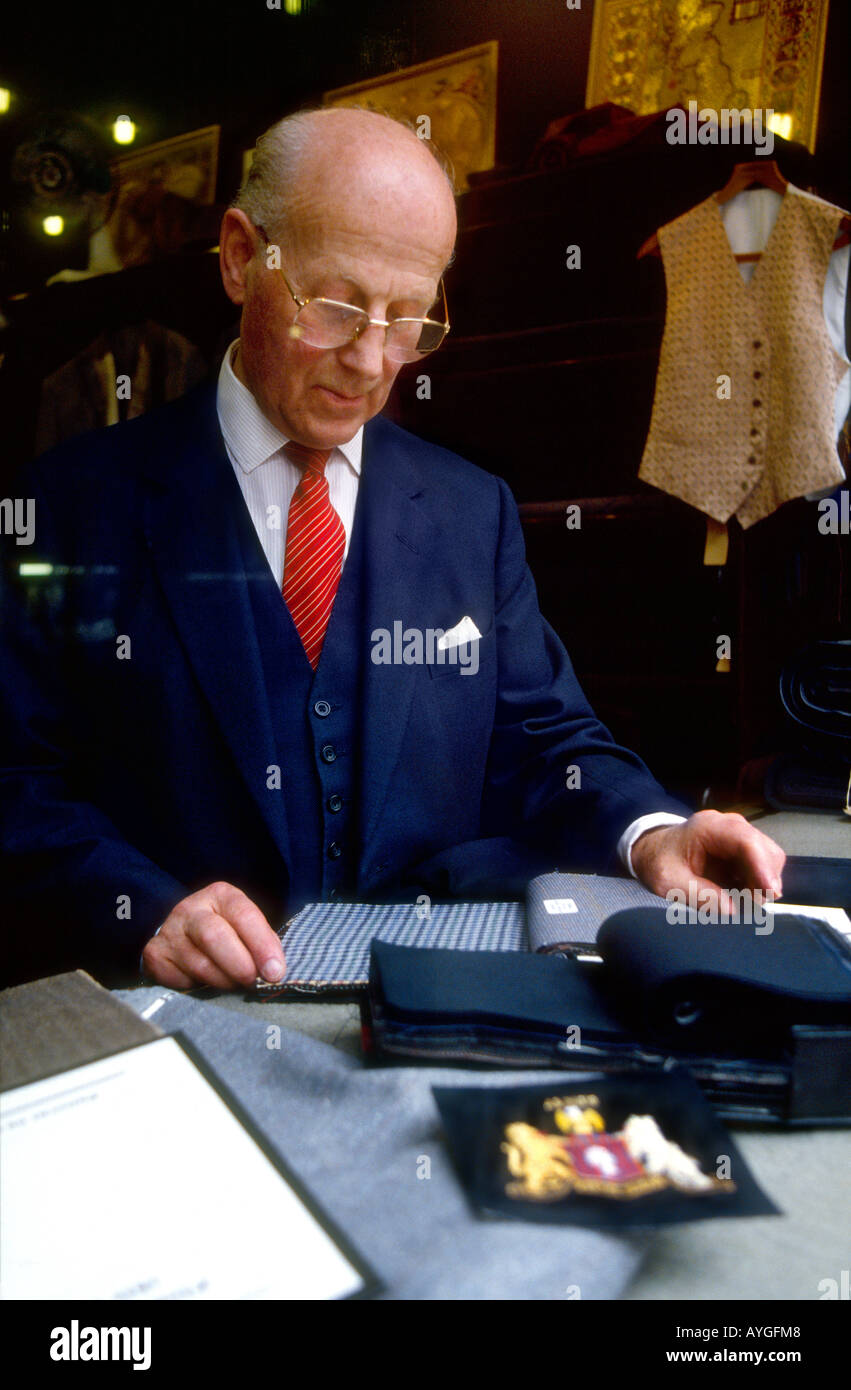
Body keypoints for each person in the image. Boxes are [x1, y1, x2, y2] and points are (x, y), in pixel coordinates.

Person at [0, 108, 785, 991]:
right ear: (237, 257)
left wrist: (649, 831)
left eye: (409, 318)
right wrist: (140, 908)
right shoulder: (64, 505)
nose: (373, 361)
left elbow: (544, 737)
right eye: (336, 309)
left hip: (427, 1009)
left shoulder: (470, 509)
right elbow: (16, 780)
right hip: (172, 1032)